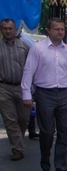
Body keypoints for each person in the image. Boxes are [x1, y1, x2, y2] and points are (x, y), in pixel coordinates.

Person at [22, 18, 67, 171]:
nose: (60, 32)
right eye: (56, 29)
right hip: (44, 92)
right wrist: (26, 94)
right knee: (47, 131)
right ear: (49, 31)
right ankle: (45, 155)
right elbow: (28, 71)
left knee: (64, 131)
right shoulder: (38, 49)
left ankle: (61, 165)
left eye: (62, 29)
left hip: (64, 92)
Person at [0, 18, 31, 161]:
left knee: (23, 119)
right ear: (1, 30)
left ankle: (18, 142)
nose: (7, 31)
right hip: (4, 87)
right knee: (10, 119)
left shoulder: (24, 46)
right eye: (5, 28)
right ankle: (18, 149)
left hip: (22, 88)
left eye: (10, 28)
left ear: (15, 29)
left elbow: (33, 67)